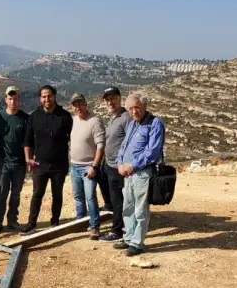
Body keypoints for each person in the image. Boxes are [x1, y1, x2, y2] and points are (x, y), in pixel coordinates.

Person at [115, 93, 165, 256]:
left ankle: (137, 243)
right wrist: (120, 163)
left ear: (144, 106)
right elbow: (123, 146)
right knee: (127, 207)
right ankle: (129, 238)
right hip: (127, 173)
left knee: (140, 209)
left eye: (137, 107)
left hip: (142, 173)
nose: (134, 112)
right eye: (130, 109)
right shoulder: (132, 124)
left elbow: (153, 151)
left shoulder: (154, 123)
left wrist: (133, 166)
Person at [21, 85, 73, 234]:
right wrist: (28, 159)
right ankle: (31, 224)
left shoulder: (64, 116)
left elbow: (73, 138)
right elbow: (28, 141)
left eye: (49, 96)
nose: (47, 99)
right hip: (40, 164)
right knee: (37, 194)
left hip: (59, 164)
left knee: (57, 194)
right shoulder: (34, 116)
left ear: (54, 96)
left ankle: (55, 222)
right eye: (43, 97)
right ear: (40, 98)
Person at [0, 86, 29, 235]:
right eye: (10, 98)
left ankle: (12, 221)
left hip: (19, 164)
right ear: (6, 99)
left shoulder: (25, 118)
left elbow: (28, 141)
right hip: (4, 163)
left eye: (15, 98)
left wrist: (29, 159)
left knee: (16, 194)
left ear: (18, 99)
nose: (13, 101)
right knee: (1, 193)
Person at [68, 93, 106, 239]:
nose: (78, 107)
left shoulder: (95, 121)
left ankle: (94, 225)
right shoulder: (73, 121)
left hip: (88, 166)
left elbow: (101, 146)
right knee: (78, 196)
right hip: (74, 165)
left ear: (86, 104)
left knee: (90, 196)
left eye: (80, 103)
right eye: (75, 104)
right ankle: (80, 221)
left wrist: (95, 166)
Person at [99, 87, 132, 243]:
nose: (110, 102)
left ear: (120, 98)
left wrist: (123, 163)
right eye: (107, 99)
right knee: (114, 198)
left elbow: (130, 142)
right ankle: (121, 223)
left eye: (113, 98)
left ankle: (116, 230)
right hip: (109, 164)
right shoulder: (113, 117)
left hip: (119, 167)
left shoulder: (126, 118)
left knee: (118, 199)